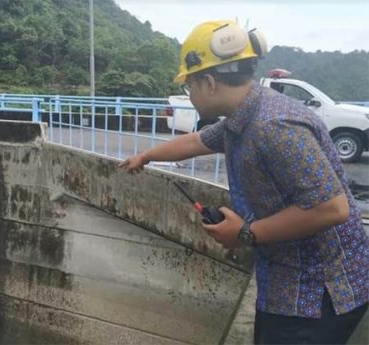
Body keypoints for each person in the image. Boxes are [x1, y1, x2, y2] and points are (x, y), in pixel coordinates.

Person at [119, 20, 369, 344]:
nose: (189, 94)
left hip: (321, 293)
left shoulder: (273, 124)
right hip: (287, 284)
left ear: (208, 82)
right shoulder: (243, 116)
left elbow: (331, 209)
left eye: (188, 86)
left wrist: (245, 234)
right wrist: (147, 156)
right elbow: (196, 141)